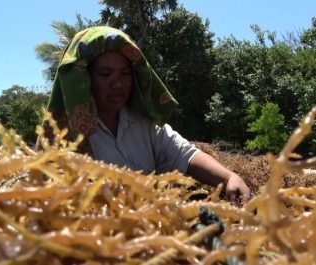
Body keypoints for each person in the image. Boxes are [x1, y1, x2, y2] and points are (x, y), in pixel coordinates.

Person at [40, 26, 250, 204]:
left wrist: (229, 176)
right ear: (84, 79)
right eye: (105, 74)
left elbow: (184, 154)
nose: (117, 83)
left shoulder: (144, 124)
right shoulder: (63, 138)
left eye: (124, 74)